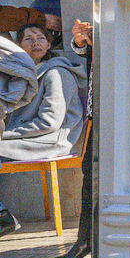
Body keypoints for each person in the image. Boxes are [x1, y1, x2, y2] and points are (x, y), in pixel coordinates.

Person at [0, 24, 90, 237]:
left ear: (49, 44)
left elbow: (49, 122)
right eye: (28, 39)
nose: (36, 42)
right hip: (31, 137)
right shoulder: (18, 75)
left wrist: (4, 135)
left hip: (53, 138)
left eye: (41, 37)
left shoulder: (56, 72)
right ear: (18, 47)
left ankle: (3, 217)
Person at [51, 21, 94, 258]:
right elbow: (92, 56)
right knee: (90, 174)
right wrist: (82, 41)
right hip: (100, 113)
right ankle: (85, 239)